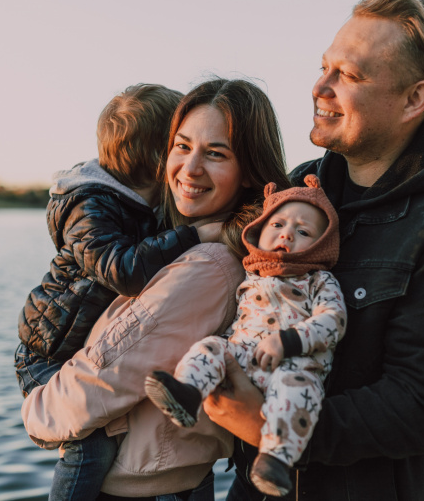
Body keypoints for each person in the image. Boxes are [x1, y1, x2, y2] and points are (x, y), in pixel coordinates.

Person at [202, 0, 424, 500]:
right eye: (324, 66)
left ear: (415, 99)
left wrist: (271, 430)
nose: (320, 88)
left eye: (349, 75)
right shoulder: (293, 192)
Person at [21, 78, 292, 500]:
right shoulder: (194, 240)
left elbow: (104, 378)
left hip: (147, 487)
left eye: (216, 153)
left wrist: (36, 411)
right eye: (181, 147)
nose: (190, 168)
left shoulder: (211, 263)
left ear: (249, 172)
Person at [144, 174, 347, 497]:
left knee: (298, 392)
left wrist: (289, 341)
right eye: (277, 225)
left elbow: (333, 320)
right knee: (211, 346)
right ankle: (187, 392)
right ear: (260, 230)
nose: (287, 234)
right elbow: (239, 321)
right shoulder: (251, 275)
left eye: (303, 231)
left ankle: (276, 459)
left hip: (293, 363)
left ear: (322, 245)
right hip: (244, 357)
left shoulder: (317, 281)